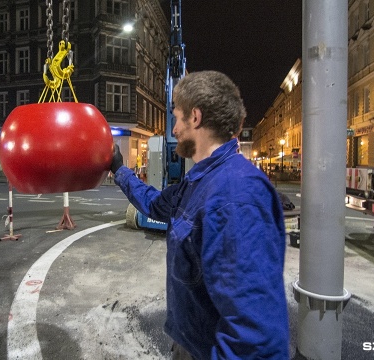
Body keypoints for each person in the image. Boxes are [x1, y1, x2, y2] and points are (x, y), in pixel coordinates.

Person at [109, 70, 289, 359]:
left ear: (195, 117)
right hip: (192, 343)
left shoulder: (236, 195)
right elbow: (156, 205)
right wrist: (120, 171)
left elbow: (254, 337)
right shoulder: (200, 181)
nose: (175, 129)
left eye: (177, 118)